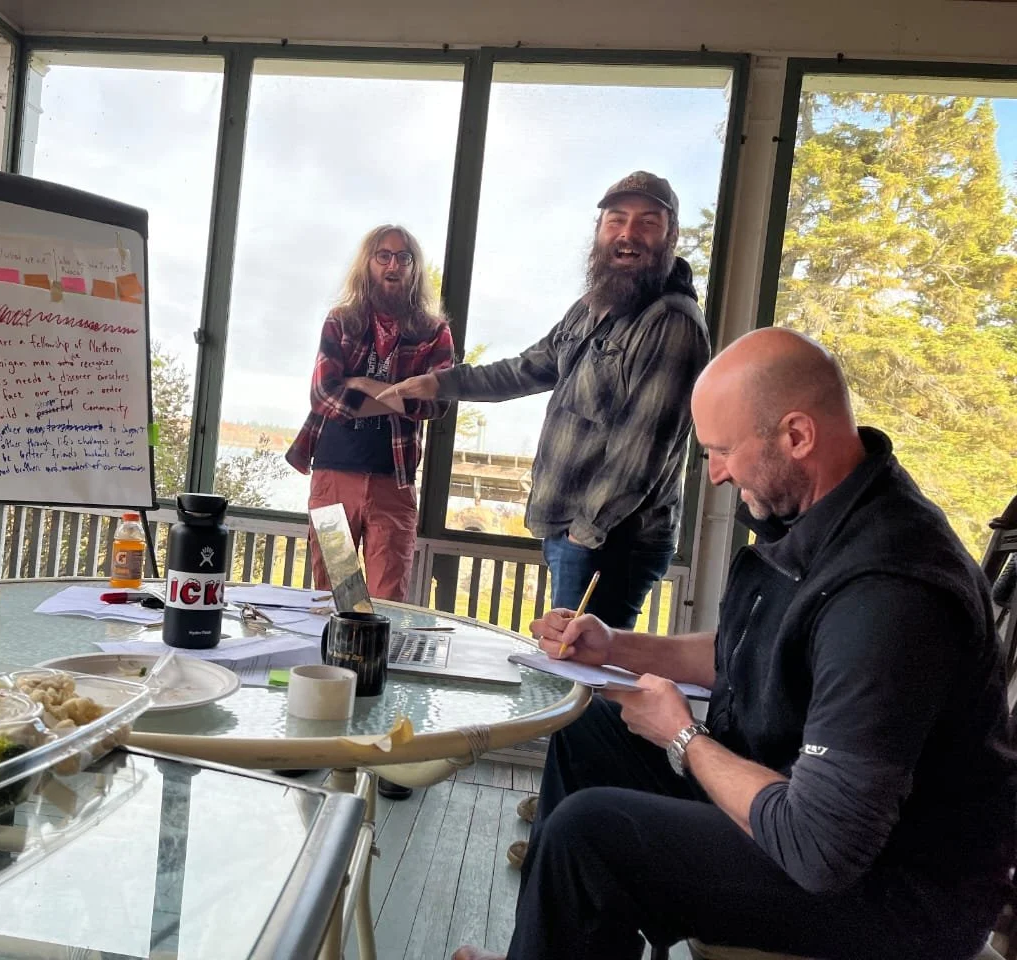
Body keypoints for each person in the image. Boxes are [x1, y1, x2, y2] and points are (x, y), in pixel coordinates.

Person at [453, 328, 1017, 960]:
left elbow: (822, 846)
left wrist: (682, 737)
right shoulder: (824, 519)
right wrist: (613, 646)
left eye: (721, 451)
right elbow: (745, 656)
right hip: (792, 798)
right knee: (588, 730)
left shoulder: (890, 591)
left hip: (894, 890)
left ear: (796, 436)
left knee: (590, 836)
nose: (716, 473)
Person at [381, 171, 709, 628]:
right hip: (573, 531)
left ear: (670, 235)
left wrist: (582, 535)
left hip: (610, 542)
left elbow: (641, 452)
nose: (628, 234)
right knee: (571, 659)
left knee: (581, 664)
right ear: (599, 231)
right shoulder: (592, 306)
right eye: (616, 220)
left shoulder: (671, 322)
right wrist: (440, 383)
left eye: (647, 222)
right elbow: (526, 369)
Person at [287, 224, 455, 603]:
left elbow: (435, 402)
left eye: (403, 257)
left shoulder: (434, 332)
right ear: (368, 262)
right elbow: (324, 395)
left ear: (414, 268)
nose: (393, 265)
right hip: (334, 479)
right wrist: (400, 394)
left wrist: (363, 383)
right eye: (384, 255)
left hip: (393, 483)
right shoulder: (341, 321)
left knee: (385, 603)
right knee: (338, 597)